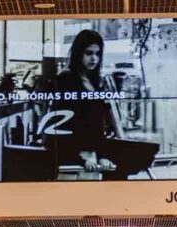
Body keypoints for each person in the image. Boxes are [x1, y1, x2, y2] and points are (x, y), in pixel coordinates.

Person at [53, 30, 125, 176]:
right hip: (72, 158)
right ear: (79, 53)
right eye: (89, 53)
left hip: (92, 158)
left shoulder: (95, 81)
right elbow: (62, 126)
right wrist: (80, 158)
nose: (94, 58)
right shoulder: (65, 80)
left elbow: (97, 124)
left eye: (97, 54)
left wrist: (102, 155)